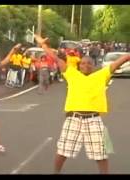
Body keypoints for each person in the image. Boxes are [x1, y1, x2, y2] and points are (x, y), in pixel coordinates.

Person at [35, 34, 130, 174]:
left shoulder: (102, 75)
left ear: (93, 66)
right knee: (63, 151)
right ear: (79, 66)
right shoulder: (71, 73)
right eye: (83, 63)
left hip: (94, 119)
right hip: (73, 118)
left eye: (89, 63)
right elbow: (55, 58)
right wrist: (43, 45)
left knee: (101, 153)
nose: (86, 65)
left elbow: (119, 62)